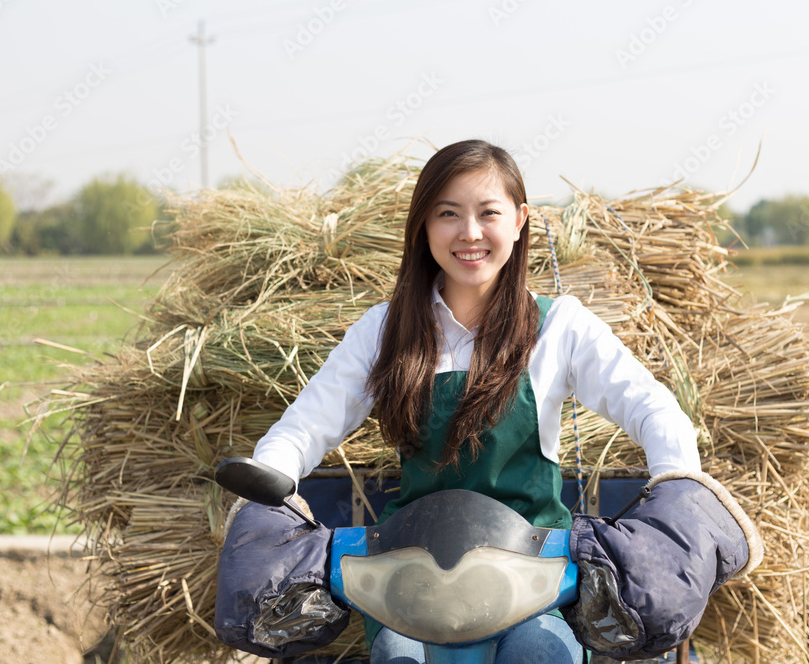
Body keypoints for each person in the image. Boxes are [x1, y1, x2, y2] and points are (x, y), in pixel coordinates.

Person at [252, 139, 702, 664]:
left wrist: (677, 493)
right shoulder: (384, 329)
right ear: (423, 227)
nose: (469, 233)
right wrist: (266, 485)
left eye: (489, 213)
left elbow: (652, 407)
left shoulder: (560, 326)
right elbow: (305, 427)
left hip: (536, 581)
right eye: (448, 214)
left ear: (519, 221)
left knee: (540, 655)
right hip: (410, 579)